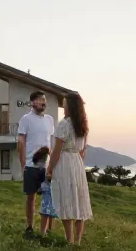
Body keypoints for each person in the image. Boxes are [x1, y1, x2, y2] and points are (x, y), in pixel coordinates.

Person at [47, 92, 94, 245]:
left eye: (65, 105)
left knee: (66, 199)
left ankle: (70, 240)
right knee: (79, 201)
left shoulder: (64, 124)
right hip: (77, 163)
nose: (63, 108)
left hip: (65, 162)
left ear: (70, 107)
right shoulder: (83, 125)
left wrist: (50, 168)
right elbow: (82, 150)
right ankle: (78, 241)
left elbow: (56, 151)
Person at [16, 91, 55, 238]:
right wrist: (23, 164)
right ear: (32, 102)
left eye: (44, 100)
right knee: (31, 197)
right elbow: (20, 142)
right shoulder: (26, 119)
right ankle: (29, 226)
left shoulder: (50, 119)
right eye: (39, 100)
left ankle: (49, 228)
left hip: (46, 166)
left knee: (49, 196)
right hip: (30, 165)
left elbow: (51, 142)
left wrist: (52, 163)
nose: (43, 102)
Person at [32, 147, 57, 237]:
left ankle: (45, 231)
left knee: (46, 211)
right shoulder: (46, 163)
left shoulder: (38, 164)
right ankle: (44, 232)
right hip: (49, 189)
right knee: (47, 211)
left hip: (46, 189)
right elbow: (47, 176)